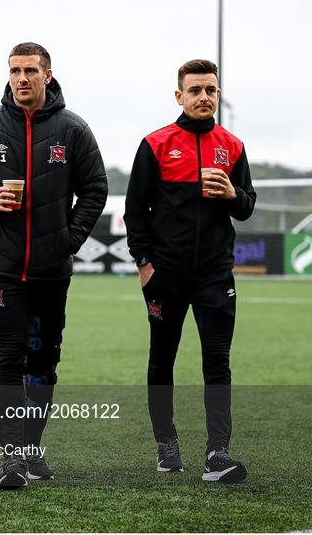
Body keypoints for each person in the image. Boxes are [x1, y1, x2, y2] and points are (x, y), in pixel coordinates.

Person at [0, 42, 107, 489]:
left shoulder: (74, 130)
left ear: (48, 75)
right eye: (15, 70)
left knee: (43, 364)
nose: (21, 78)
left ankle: (32, 450)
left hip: (52, 273)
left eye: (30, 70)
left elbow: (95, 189)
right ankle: (11, 460)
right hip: (2, 271)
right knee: (8, 362)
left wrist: (68, 239)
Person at [124, 59, 256, 483]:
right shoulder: (156, 143)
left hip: (216, 275)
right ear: (179, 95)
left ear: (218, 95)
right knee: (162, 361)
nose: (204, 97)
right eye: (195, 90)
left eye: (211, 90)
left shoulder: (232, 146)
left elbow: (247, 206)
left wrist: (233, 193)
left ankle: (218, 453)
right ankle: (166, 445)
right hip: (166, 276)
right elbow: (134, 210)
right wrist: (144, 264)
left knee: (217, 362)